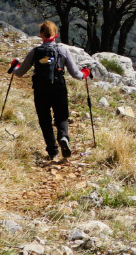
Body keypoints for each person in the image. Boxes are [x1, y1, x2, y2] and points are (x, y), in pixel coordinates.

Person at [9, 21, 89, 161]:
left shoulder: (35, 52)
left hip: (40, 91)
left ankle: (53, 152)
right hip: (59, 89)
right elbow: (76, 74)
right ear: (55, 34)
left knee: (45, 120)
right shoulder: (63, 50)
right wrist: (85, 73)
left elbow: (20, 73)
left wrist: (14, 66)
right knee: (62, 117)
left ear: (41, 35)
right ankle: (63, 137)